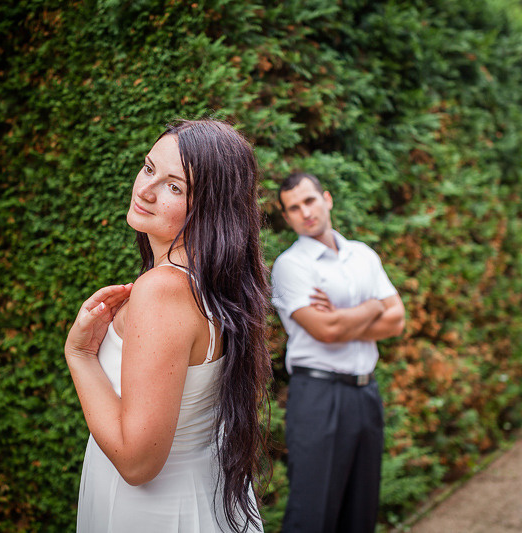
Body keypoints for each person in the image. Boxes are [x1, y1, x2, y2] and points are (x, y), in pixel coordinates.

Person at [64, 119, 271, 532]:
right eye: (148, 168)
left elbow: (137, 461)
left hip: (154, 513)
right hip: (200, 495)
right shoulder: (212, 283)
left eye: (174, 187)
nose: (145, 189)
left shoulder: (163, 289)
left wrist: (81, 355)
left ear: (208, 208)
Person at [271, 172, 405, 533]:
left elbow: (397, 321)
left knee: (360, 515)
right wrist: (373, 305)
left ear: (326, 199)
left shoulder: (362, 255)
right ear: (287, 218)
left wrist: (345, 317)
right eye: (294, 208)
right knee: (312, 517)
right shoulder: (291, 266)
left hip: (366, 394)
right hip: (318, 397)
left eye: (309, 200)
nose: (305, 212)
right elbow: (326, 331)